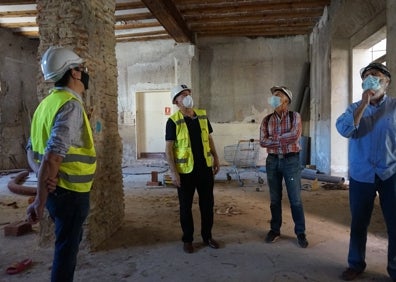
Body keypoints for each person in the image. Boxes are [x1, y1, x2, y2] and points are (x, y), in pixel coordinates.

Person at [26, 46, 96, 282]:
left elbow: (31, 151)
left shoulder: (44, 105)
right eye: (81, 68)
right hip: (70, 193)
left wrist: (41, 177)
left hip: (57, 192)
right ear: (73, 73)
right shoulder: (71, 105)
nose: (84, 73)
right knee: (66, 252)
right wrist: (38, 199)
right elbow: (53, 156)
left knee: (67, 242)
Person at [336, 62, 396, 281]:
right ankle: (356, 263)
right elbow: (344, 130)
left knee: (394, 223)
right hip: (361, 174)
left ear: (386, 82)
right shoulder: (353, 108)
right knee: (359, 222)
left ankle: (394, 268)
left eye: (376, 75)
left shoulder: (395, 107)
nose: (371, 78)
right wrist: (364, 103)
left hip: (390, 173)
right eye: (367, 76)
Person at [165, 84, 220, 253]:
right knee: (185, 207)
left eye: (188, 93)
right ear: (176, 101)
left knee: (207, 204)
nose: (187, 96)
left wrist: (216, 157)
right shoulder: (173, 121)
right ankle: (187, 239)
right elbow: (169, 148)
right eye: (183, 95)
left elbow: (209, 139)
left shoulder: (202, 116)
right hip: (185, 172)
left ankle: (207, 236)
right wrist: (174, 172)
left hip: (204, 169)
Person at [259, 86, 308, 248]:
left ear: (286, 100)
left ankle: (300, 232)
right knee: (274, 199)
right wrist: (282, 139)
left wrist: (274, 139)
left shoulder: (295, 117)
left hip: (291, 161)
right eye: (273, 95)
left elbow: (295, 136)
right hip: (272, 161)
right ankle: (275, 229)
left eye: (278, 95)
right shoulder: (266, 120)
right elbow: (262, 141)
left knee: (295, 199)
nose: (274, 98)